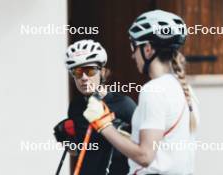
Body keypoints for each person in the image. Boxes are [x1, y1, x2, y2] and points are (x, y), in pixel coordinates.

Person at [82, 10, 200, 175]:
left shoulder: (153, 90)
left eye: (133, 46)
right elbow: (162, 146)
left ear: (148, 49)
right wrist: (121, 132)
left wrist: (103, 125)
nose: (132, 55)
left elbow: (145, 156)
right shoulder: (184, 90)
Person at [54, 39, 136, 175]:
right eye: (78, 72)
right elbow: (80, 151)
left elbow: (144, 152)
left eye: (90, 71)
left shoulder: (124, 104)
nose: (84, 78)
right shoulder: (76, 106)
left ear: (102, 72)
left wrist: (119, 133)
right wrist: (66, 140)